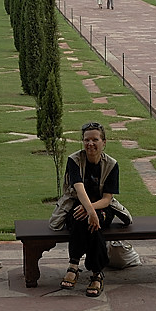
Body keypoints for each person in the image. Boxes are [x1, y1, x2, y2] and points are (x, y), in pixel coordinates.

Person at [49, 121, 131, 298]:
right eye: (86, 140)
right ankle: (96, 273)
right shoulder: (74, 160)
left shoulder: (111, 164)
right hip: (76, 204)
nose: (90, 144)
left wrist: (91, 211)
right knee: (84, 220)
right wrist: (90, 212)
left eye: (95, 140)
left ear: (104, 142)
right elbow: (78, 189)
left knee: (91, 221)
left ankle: (74, 266)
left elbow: (107, 198)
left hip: (101, 207)